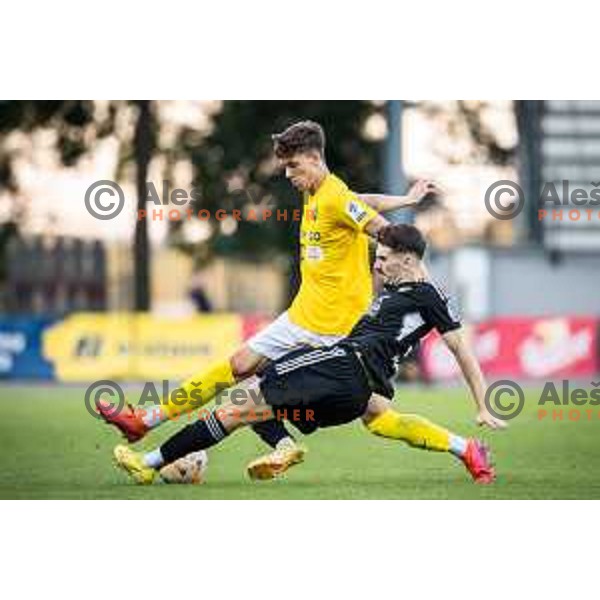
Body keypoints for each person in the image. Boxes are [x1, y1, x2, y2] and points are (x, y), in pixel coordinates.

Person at [98, 120, 437, 466]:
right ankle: (145, 420)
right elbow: (363, 202)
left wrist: (418, 277)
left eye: (293, 165)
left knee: (368, 414)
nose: (288, 174)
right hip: (302, 315)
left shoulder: (334, 197)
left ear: (315, 158)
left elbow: (384, 231)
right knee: (239, 365)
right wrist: (407, 198)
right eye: (285, 166)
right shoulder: (320, 193)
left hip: (335, 330)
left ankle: (460, 447)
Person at [112, 224, 504, 486]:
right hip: (357, 391)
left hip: (343, 367)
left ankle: (148, 464)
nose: (377, 262)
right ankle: (466, 448)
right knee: (378, 419)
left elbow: (462, 351)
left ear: (409, 258)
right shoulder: (403, 294)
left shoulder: (428, 296)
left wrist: (483, 404)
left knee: (240, 401)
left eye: (384, 256)